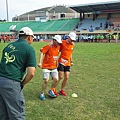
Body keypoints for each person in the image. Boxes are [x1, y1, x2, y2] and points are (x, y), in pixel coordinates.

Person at [0, 27, 36, 120]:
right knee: (17, 114)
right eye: (32, 37)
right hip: (11, 83)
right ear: (29, 37)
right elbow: (31, 73)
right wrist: (22, 84)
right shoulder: (29, 49)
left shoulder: (9, 46)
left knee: (3, 113)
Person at [38, 35, 62, 100]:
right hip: (46, 66)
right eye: (57, 42)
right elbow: (42, 52)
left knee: (56, 79)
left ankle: (51, 90)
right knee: (46, 80)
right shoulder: (49, 46)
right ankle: (42, 93)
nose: (59, 43)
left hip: (54, 66)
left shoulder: (59, 46)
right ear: (54, 40)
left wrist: (57, 63)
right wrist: (40, 62)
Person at [53, 32, 76, 96]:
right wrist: (55, 60)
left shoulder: (73, 45)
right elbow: (57, 50)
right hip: (61, 62)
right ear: (68, 37)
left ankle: (61, 90)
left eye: (73, 40)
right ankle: (53, 89)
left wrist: (71, 61)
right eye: (71, 39)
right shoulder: (62, 42)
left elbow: (70, 53)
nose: (72, 41)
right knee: (60, 77)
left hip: (67, 63)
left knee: (67, 77)